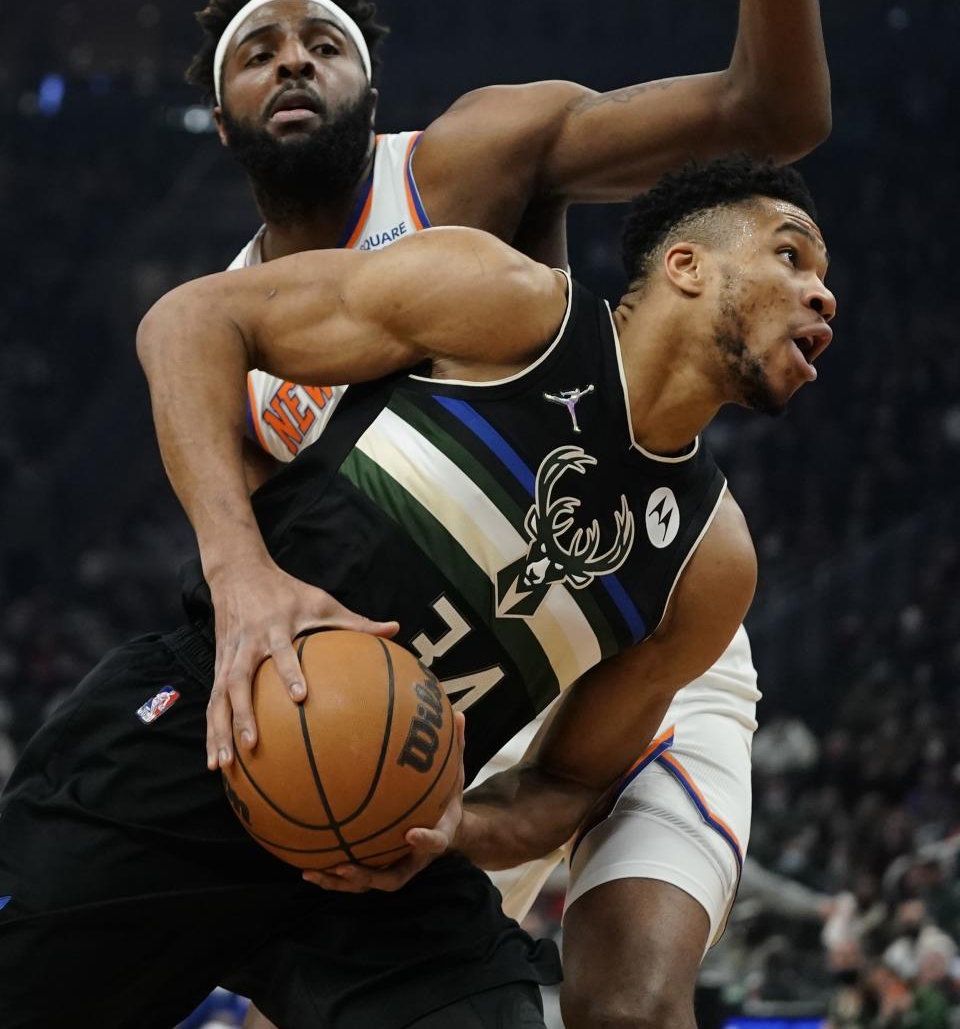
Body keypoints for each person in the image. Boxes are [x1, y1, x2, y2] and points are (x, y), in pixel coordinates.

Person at [189, 0, 829, 1028]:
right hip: (447, 708)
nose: (293, 62)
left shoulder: (471, 161)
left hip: (636, 631)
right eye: (259, 51)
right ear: (219, 108)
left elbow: (767, 113)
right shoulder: (233, 338)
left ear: (374, 80)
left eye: (323, 40)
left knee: (628, 1006)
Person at [0, 155, 835, 1028]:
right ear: (687, 266)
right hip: (204, 733)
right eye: (792, 256)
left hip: (376, 858)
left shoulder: (711, 562)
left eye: (823, 279)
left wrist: (456, 825)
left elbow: (561, 785)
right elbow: (190, 322)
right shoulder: (510, 307)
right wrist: (241, 571)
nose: (823, 296)